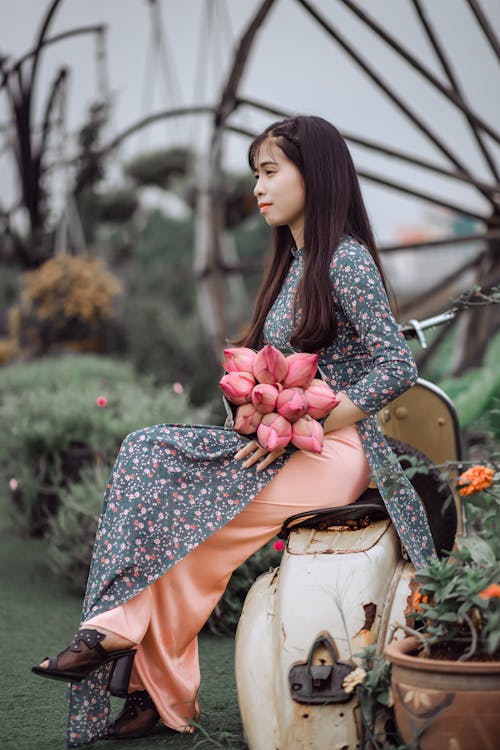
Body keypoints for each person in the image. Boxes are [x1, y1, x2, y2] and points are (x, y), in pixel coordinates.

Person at [32, 115, 436, 747]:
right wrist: (255, 405)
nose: (258, 188)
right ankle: (151, 692)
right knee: (161, 483)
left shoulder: (346, 261)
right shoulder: (297, 264)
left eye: (271, 172)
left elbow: (397, 367)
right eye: (256, 174)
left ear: (317, 175)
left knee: (183, 508)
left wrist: (307, 418)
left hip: (337, 449)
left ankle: (114, 639)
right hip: (291, 442)